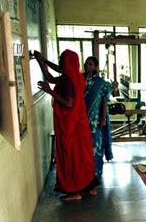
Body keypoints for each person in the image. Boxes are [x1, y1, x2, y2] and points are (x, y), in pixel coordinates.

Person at [34, 49, 98, 201]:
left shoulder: (67, 80)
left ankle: (75, 192)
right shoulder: (76, 77)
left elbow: (69, 103)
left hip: (71, 126)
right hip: (80, 124)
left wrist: (50, 91)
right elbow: (51, 77)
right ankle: (89, 188)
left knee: (71, 157)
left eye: (62, 58)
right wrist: (41, 61)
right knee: (83, 157)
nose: (60, 61)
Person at [83, 56, 112, 178]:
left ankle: (95, 175)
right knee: (83, 148)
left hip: (95, 121)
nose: (87, 66)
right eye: (86, 63)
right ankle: (84, 175)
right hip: (81, 119)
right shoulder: (79, 78)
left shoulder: (100, 83)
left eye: (90, 64)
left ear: (95, 67)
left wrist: (103, 118)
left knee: (96, 147)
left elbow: (104, 101)